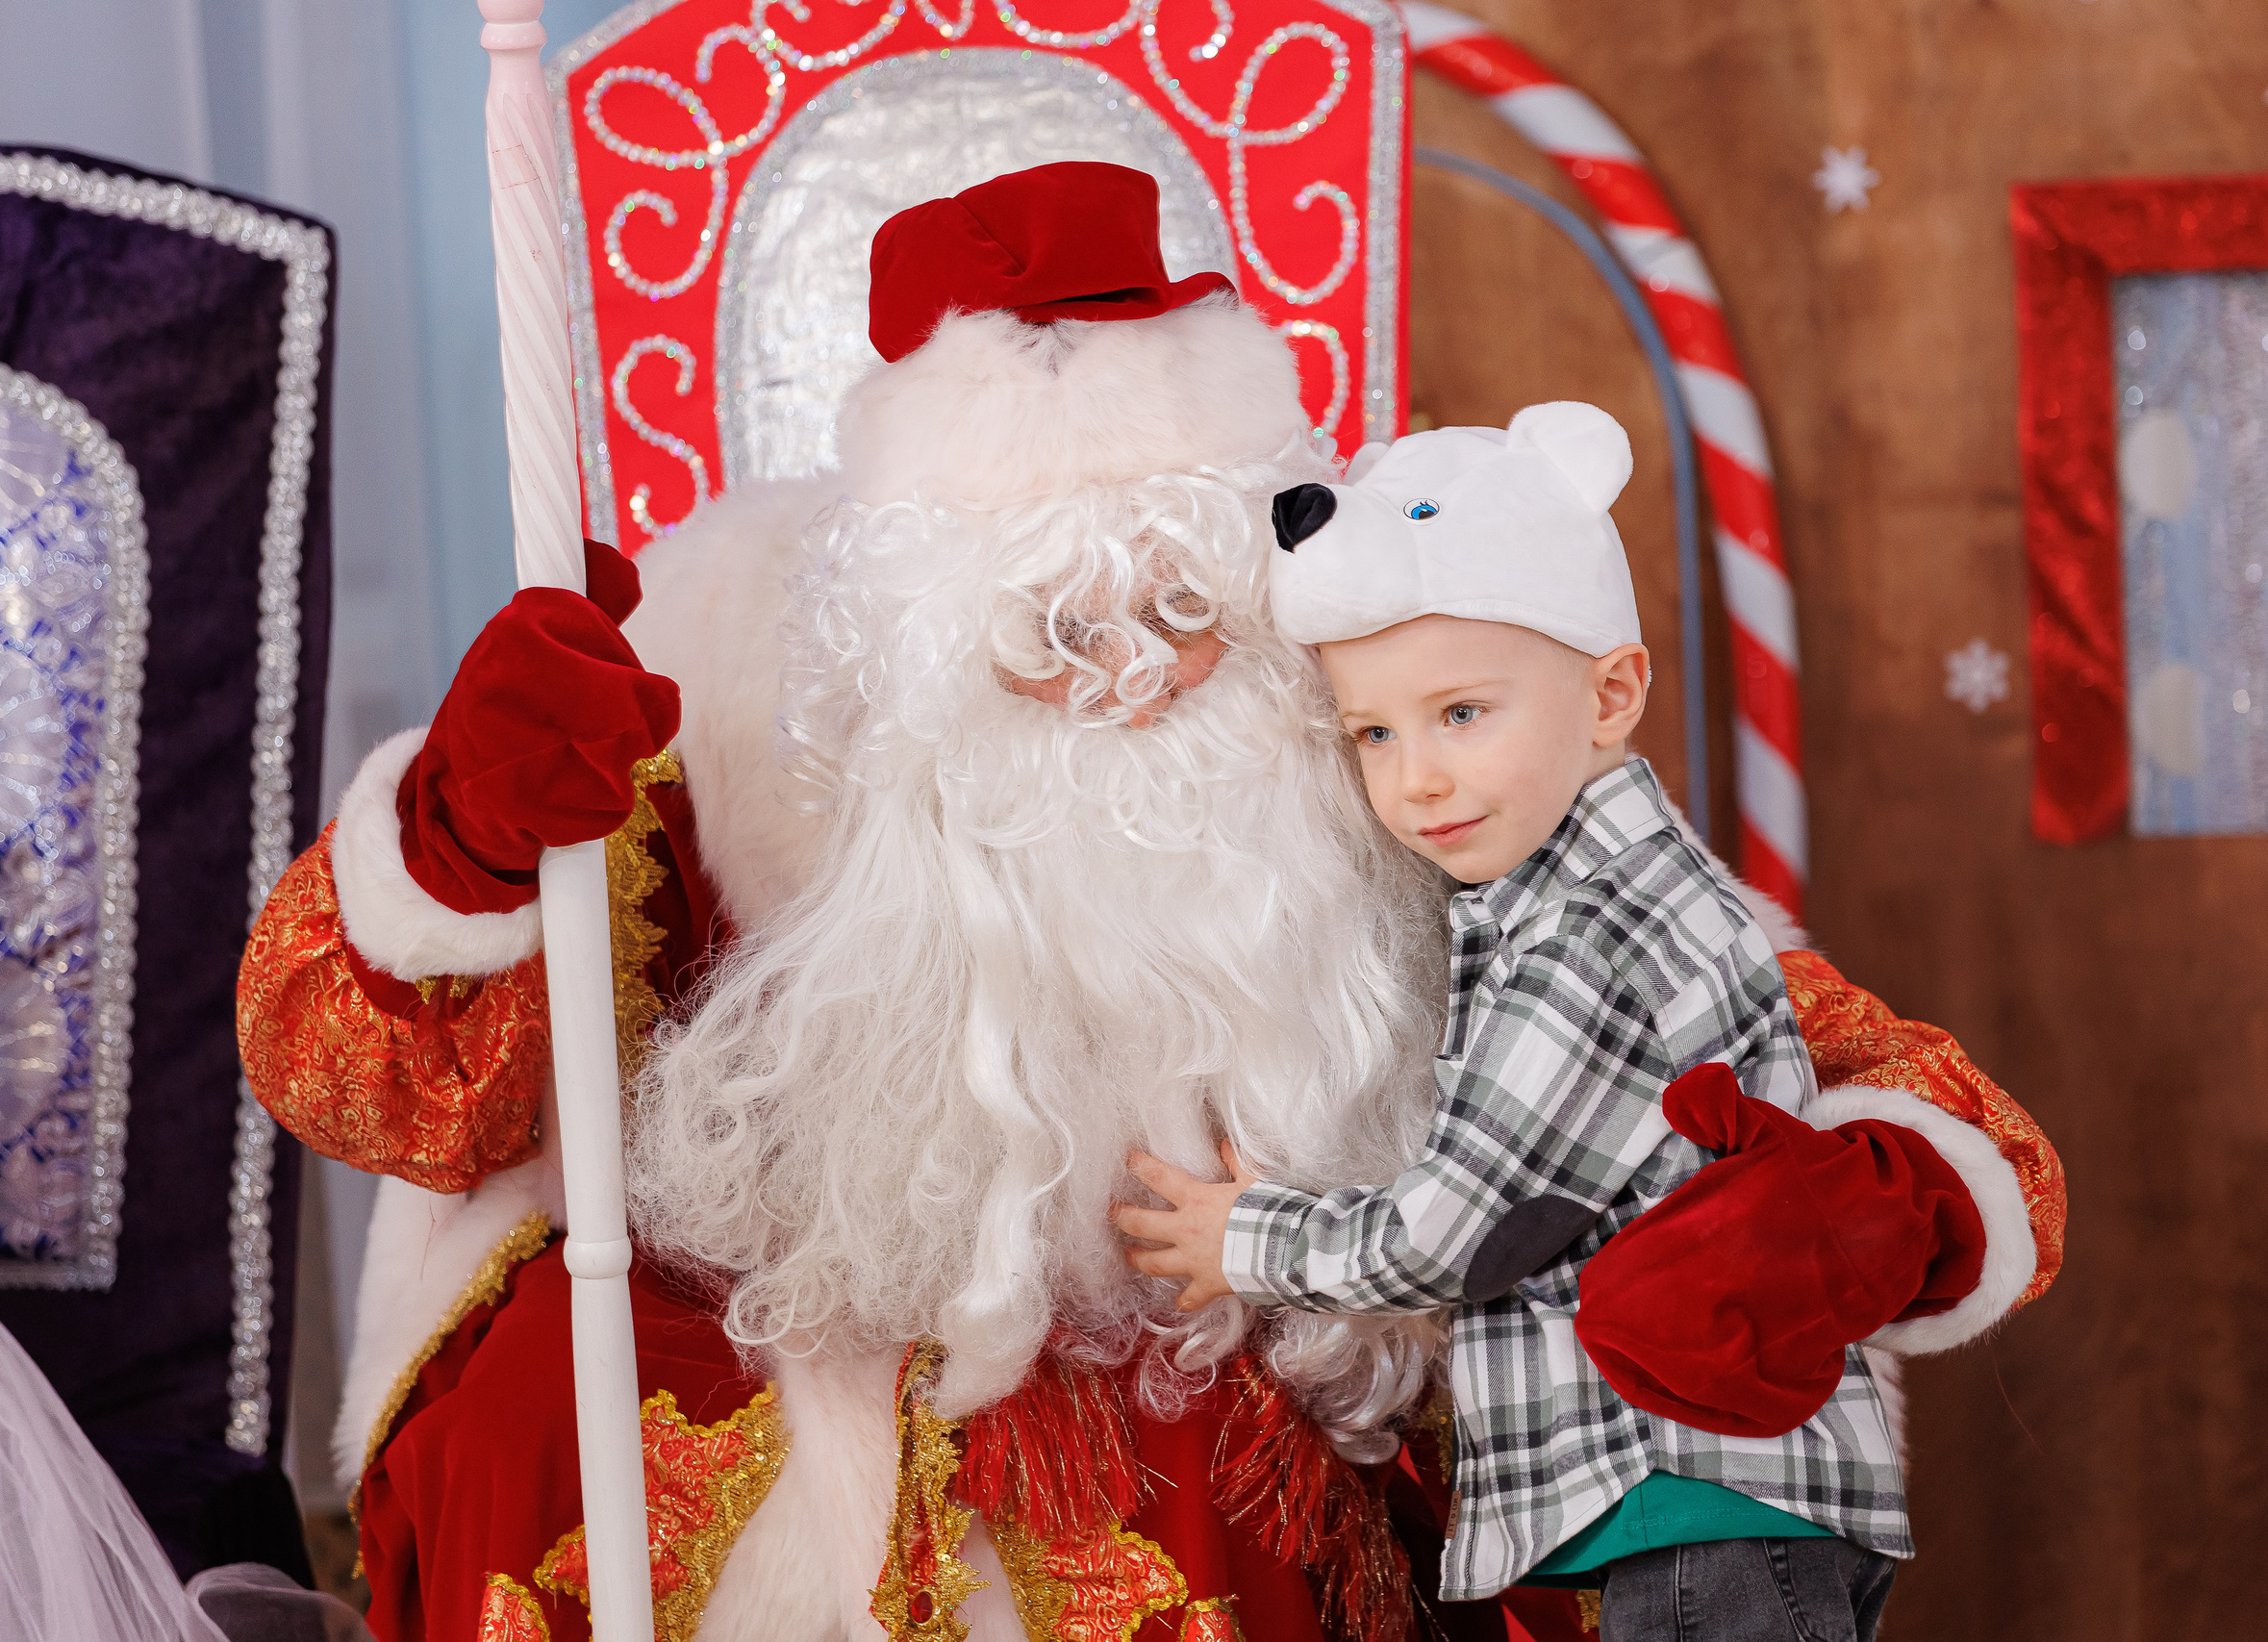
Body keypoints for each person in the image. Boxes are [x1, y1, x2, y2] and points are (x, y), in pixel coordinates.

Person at [236, 165, 2061, 1642]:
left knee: (1245, 1469)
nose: (1133, 678)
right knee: (566, 1403)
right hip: (778, 1317)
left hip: (1264, 1354)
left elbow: (1821, 1041)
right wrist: (464, 836)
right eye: (1054, 631)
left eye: (1184, 612)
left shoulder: (1398, 729)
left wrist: (1883, 1194)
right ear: (935, 650)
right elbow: (344, 1076)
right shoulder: (718, 692)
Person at [1114, 405, 1997, 1642]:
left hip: (1702, 1502)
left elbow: (1458, 1228)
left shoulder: (1584, 940)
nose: (1415, 775)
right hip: (1722, 1504)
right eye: (1374, 732)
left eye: (1461, 713)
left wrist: (1247, 1240)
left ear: (1609, 693)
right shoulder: (1580, 901)